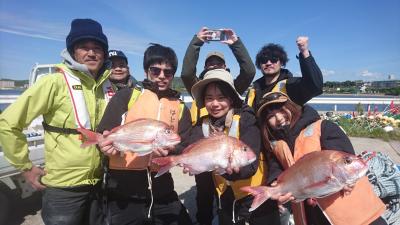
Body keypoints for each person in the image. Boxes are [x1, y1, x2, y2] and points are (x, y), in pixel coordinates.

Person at [0, 18, 113, 225]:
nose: (91, 53)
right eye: (83, 47)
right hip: (63, 190)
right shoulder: (54, 82)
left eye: (97, 47)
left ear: (104, 53)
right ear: (72, 51)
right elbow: (7, 123)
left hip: (98, 184)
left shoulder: (106, 87)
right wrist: (25, 167)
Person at [96, 43, 193, 225]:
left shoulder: (180, 107)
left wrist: (170, 150)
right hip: (123, 188)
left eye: (168, 72)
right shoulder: (126, 96)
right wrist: (105, 147)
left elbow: (184, 145)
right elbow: (104, 134)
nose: (162, 76)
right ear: (147, 70)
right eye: (156, 70)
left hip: (162, 186)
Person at [257, 91, 388, 225]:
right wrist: (275, 187)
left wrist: (349, 180)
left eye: (281, 110)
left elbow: (346, 158)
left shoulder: (323, 127)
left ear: (291, 107)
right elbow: (276, 170)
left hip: (356, 216)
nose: (279, 118)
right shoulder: (274, 145)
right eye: (271, 117)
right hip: (311, 216)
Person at [188, 69, 281, 225]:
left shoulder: (246, 118)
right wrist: (185, 160)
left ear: (231, 99)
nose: (215, 104)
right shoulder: (202, 125)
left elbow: (251, 164)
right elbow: (191, 149)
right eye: (209, 98)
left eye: (221, 98)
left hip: (256, 192)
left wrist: (231, 172)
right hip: (225, 195)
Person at [181, 26, 256, 125]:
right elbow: (187, 74)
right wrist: (196, 42)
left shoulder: (232, 87)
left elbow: (249, 72)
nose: (215, 65)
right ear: (205, 67)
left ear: (225, 66)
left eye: (219, 63)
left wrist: (236, 44)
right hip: (201, 133)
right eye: (211, 63)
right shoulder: (198, 87)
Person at [245, 37, 323, 113]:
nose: (268, 63)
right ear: (259, 64)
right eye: (264, 60)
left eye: (273, 59)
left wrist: (305, 52)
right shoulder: (253, 89)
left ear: (281, 62)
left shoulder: (291, 86)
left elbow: (315, 86)